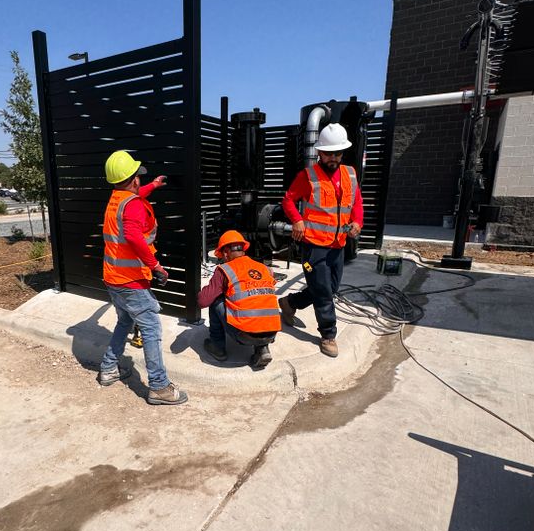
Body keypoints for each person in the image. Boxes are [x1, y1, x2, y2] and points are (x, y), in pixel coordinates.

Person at [98, 149, 188, 406]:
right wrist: (156, 265)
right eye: (139, 176)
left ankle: (108, 369)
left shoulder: (117, 199)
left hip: (113, 277)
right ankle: (159, 387)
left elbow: (135, 202)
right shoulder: (132, 205)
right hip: (131, 279)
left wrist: (154, 185)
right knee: (150, 328)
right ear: (133, 178)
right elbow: (134, 236)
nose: (140, 179)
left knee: (124, 322)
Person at [279, 123, 363, 357]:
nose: (333, 158)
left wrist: (357, 222)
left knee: (329, 288)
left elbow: (356, 203)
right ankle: (328, 334)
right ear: (320, 152)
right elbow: (288, 200)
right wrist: (297, 220)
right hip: (314, 246)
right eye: (329, 153)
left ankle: (290, 303)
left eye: (337, 153)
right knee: (324, 292)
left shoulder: (350, 174)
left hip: (338, 244)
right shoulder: (308, 176)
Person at [197, 230, 281, 370]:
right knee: (257, 300)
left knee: (216, 300)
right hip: (272, 333)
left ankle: (217, 347)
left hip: (244, 336)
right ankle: (262, 349)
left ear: (225, 253)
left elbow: (203, 301)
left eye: (221, 257)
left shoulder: (224, 269)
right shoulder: (263, 268)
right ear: (243, 249)